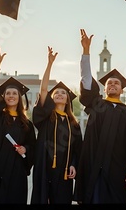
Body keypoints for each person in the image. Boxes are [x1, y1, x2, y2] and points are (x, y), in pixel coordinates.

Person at [73, 29, 126, 204]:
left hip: (117, 167)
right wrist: (86, 52)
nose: (112, 84)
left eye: (116, 83)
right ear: (104, 89)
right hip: (92, 163)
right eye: (109, 83)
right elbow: (86, 80)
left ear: (122, 89)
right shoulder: (97, 104)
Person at [0, 46, 36, 204]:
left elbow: (33, 146)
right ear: (3, 97)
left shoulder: (27, 124)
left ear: (19, 98)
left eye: (14, 93)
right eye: (8, 93)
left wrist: (26, 149)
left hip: (16, 173)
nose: (11, 96)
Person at [31, 46, 83, 204]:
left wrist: (74, 164)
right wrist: (49, 64)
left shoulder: (73, 124)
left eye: (63, 93)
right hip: (44, 167)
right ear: (51, 99)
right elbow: (44, 89)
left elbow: (77, 149)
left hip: (64, 171)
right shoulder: (45, 117)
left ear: (68, 100)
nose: (60, 94)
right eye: (57, 93)